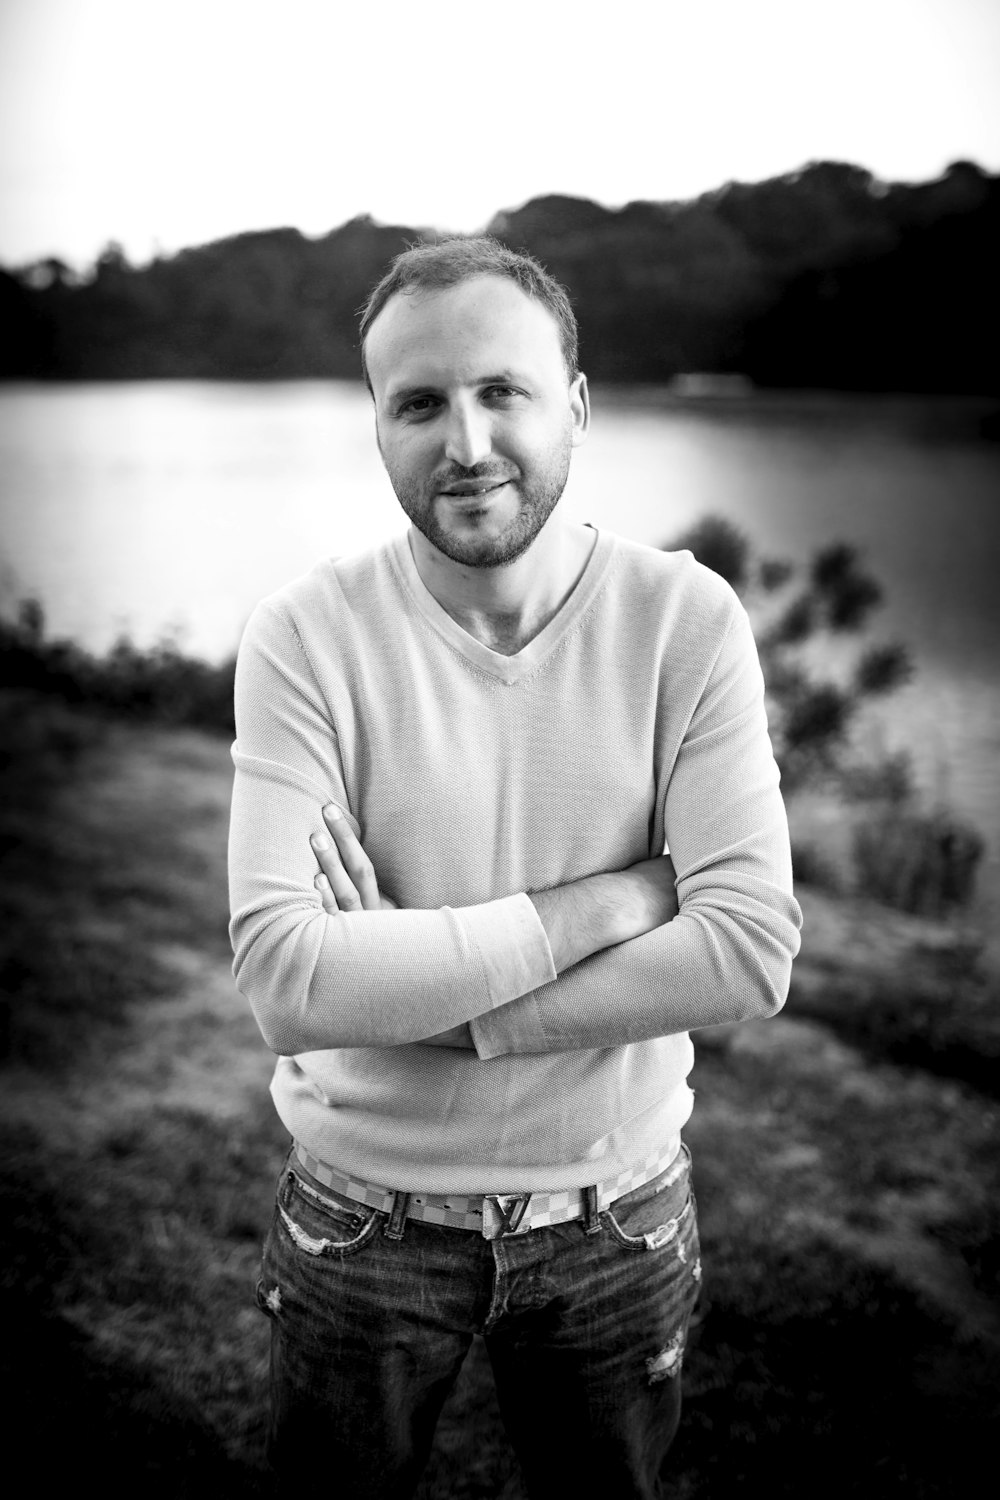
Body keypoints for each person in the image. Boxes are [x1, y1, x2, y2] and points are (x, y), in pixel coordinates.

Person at [228, 236, 802, 1499]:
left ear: (578, 407)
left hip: (617, 1209)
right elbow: (286, 981)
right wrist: (616, 900)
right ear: (376, 427)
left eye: (504, 393)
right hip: (362, 1214)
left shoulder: (685, 622)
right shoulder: (305, 638)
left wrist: (431, 1003)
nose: (468, 443)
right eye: (420, 403)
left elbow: (750, 949)